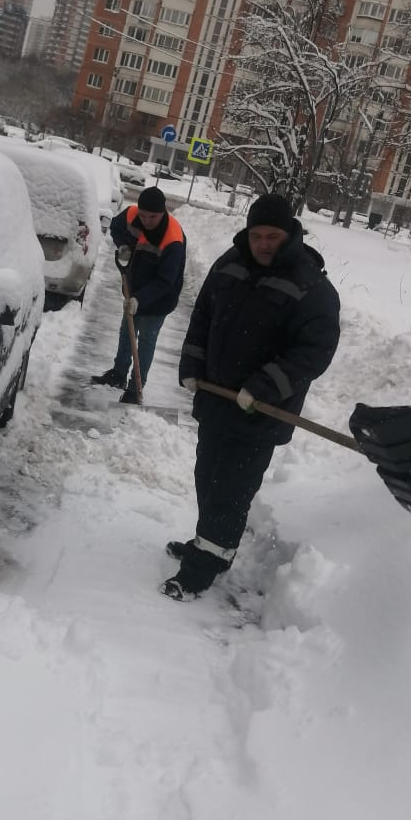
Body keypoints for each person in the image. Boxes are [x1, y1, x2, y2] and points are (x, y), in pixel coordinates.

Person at [163, 192, 340, 601]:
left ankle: (201, 571)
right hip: (216, 401)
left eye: (272, 236)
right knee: (207, 480)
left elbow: (313, 352)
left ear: (289, 233)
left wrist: (261, 387)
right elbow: (203, 315)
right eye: (256, 234)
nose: (262, 243)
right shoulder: (229, 265)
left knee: (230, 492)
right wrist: (192, 365)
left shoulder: (311, 285)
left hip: (260, 414)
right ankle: (211, 548)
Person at [91, 187, 186, 404]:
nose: (146, 221)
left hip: (160, 296)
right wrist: (124, 245)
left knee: (146, 340)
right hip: (134, 286)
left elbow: (166, 281)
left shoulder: (173, 239)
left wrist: (139, 299)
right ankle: (118, 373)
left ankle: (136, 387)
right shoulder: (133, 214)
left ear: (163, 213)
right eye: (143, 215)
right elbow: (115, 226)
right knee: (127, 332)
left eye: (152, 217)